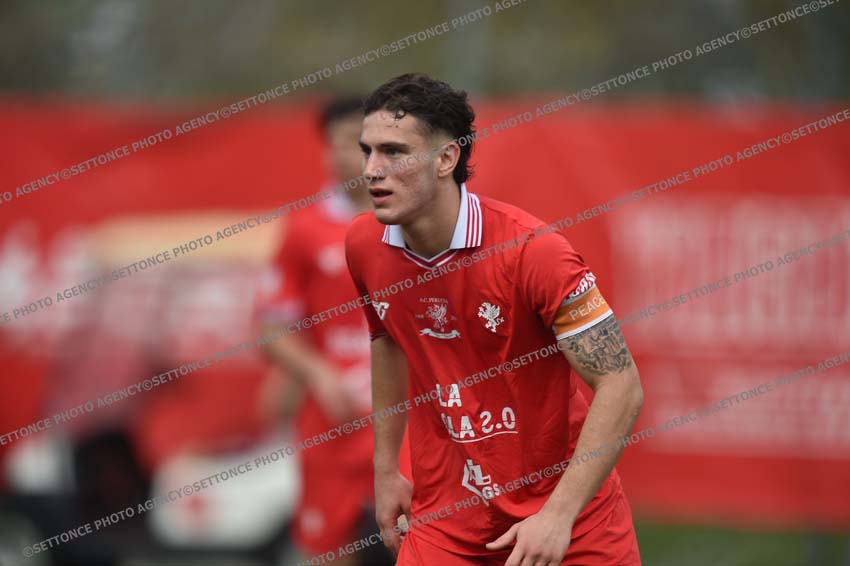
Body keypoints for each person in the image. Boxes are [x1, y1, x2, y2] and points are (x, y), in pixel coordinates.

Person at [345, 74, 644, 565]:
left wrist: (559, 516)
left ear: (446, 159)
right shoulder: (364, 245)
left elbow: (621, 384)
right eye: (367, 151)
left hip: (569, 521)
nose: (372, 170)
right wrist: (385, 471)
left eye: (394, 152)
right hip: (446, 522)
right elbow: (386, 339)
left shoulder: (534, 252)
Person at [258, 96, 397, 565]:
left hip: (404, 417)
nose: (344, 156)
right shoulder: (304, 229)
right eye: (334, 144)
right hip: (333, 423)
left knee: (421, 541)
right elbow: (270, 327)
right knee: (331, 548)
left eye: (358, 144)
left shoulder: (412, 223)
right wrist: (316, 373)